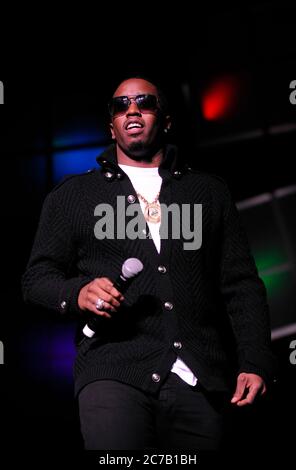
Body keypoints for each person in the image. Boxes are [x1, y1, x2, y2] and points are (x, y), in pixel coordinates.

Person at [22, 76, 275, 451]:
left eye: (145, 102)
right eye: (121, 106)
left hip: (200, 378)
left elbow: (241, 284)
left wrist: (254, 360)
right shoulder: (73, 196)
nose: (132, 110)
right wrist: (78, 293)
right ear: (112, 126)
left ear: (166, 120)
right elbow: (36, 279)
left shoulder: (207, 192)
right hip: (112, 372)